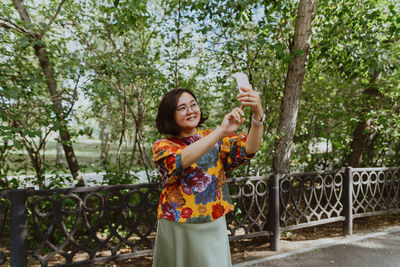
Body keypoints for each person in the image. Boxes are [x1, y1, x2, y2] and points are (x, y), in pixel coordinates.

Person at [152, 85, 264, 267]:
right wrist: (221, 132)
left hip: (214, 220)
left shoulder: (214, 137)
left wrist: (257, 114)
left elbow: (250, 148)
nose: (190, 111)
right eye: (182, 108)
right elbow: (181, 160)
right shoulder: (163, 146)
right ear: (169, 114)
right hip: (178, 223)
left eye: (193, 105)